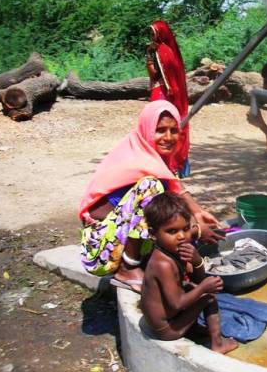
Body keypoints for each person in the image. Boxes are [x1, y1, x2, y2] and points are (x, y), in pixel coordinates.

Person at [79, 100, 224, 293]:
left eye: (174, 131)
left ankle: (144, 261)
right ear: (147, 129)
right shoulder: (135, 160)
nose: (168, 137)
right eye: (160, 130)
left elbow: (174, 190)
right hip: (100, 251)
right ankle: (128, 269)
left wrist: (197, 213)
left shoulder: (150, 156)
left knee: (167, 208)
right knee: (153, 189)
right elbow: (101, 215)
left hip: (117, 241)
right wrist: (195, 229)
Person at [140, 192, 238, 352]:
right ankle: (218, 343)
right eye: (172, 231)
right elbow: (177, 303)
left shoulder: (170, 249)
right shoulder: (163, 263)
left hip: (170, 317)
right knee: (209, 297)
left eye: (185, 229)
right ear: (153, 233)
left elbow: (196, 278)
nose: (181, 236)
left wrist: (197, 260)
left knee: (192, 286)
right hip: (167, 329)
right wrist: (204, 289)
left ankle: (194, 328)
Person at [146, 20, 191, 177]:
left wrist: (149, 59)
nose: (152, 36)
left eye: (153, 33)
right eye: (151, 33)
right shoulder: (171, 51)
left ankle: (163, 164)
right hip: (174, 97)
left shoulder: (157, 50)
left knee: (157, 126)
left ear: (160, 33)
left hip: (160, 94)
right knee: (173, 127)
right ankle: (175, 164)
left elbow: (154, 74)